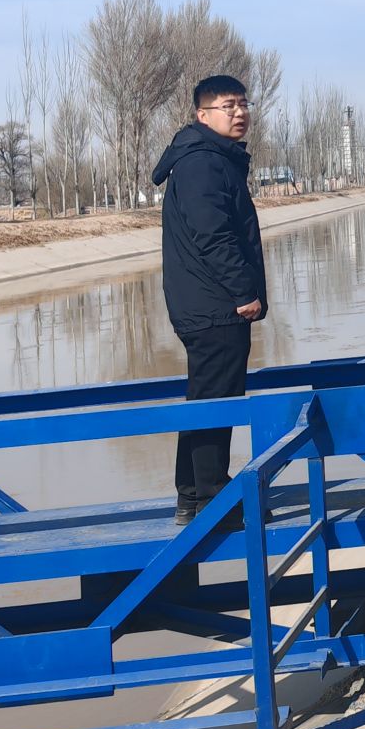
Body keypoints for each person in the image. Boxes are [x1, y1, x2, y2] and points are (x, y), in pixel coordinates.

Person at [153, 75, 269, 526]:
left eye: (243, 104)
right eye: (228, 106)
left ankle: (192, 495)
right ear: (202, 115)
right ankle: (213, 498)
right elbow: (214, 235)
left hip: (206, 303)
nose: (239, 113)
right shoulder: (203, 163)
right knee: (217, 401)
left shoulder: (209, 157)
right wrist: (243, 292)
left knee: (207, 395)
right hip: (215, 305)